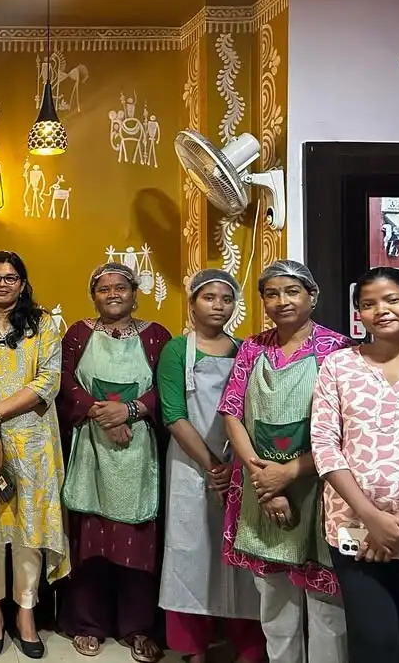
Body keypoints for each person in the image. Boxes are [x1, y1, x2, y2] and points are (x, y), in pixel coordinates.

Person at [219, 260, 350, 663]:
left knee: (326, 602)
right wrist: (263, 478)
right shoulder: (252, 348)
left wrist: (289, 473)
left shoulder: (338, 350)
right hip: (261, 486)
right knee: (274, 599)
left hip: (322, 485)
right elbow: (231, 413)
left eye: (292, 292)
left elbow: (345, 429)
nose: (282, 301)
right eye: (272, 294)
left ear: (312, 296)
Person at [0, 251, 70, 660]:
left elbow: (47, 382)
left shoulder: (44, 326)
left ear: (22, 283)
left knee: (29, 532)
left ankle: (25, 613)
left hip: (35, 441)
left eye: (10, 277)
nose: (2, 283)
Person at [59, 262, 171, 663]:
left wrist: (132, 411)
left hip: (138, 453)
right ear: (94, 296)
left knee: (137, 544)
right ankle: (89, 625)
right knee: (92, 542)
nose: (112, 294)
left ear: (134, 292)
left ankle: (139, 628)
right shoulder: (77, 333)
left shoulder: (157, 336)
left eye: (120, 287)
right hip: (91, 449)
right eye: (103, 289)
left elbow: (168, 387)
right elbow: (65, 382)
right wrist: (101, 413)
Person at [156, 269, 264, 663]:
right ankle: (192, 648)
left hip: (241, 464)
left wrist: (235, 463)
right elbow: (173, 414)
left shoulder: (247, 351)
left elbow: (253, 412)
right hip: (190, 465)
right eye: (209, 298)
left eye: (226, 299)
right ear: (192, 303)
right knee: (190, 551)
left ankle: (249, 647)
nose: (219, 306)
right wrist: (213, 465)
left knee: (242, 553)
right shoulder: (176, 351)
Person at [312, 266, 399, 662]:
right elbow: (324, 443)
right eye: (368, 304)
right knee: (376, 642)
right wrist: (372, 517)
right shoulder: (339, 365)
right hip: (353, 526)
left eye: (392, 299)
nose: (380, 310)